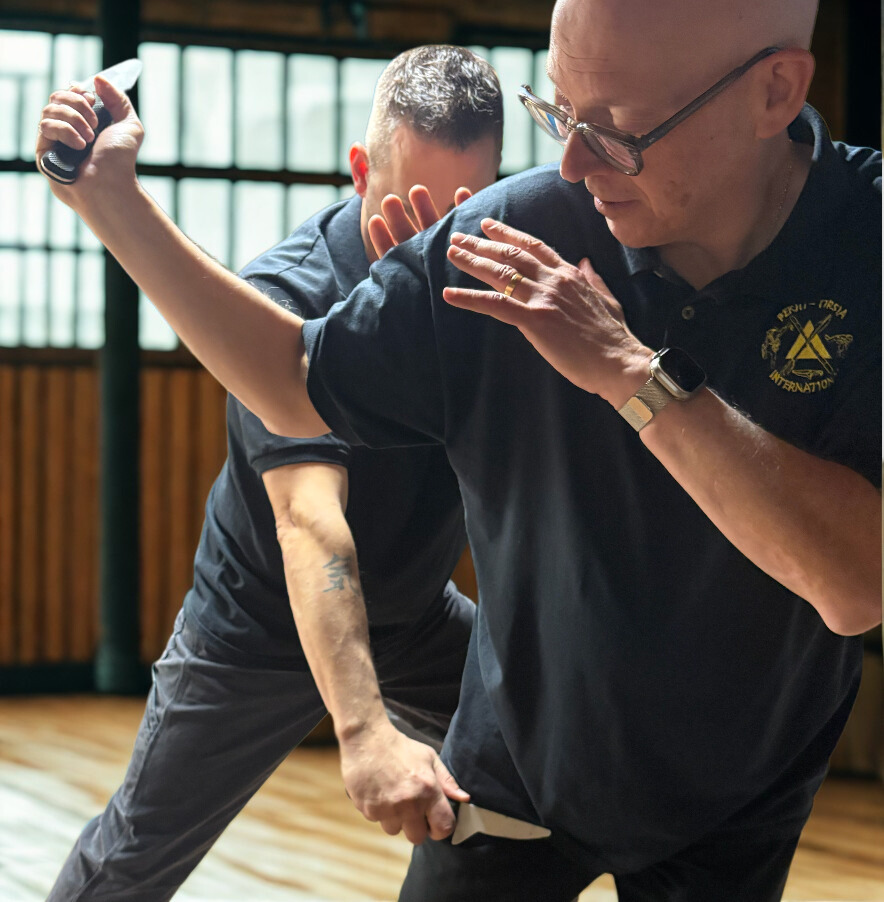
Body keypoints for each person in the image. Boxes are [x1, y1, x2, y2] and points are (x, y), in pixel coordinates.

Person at [36, 0, 882, 898]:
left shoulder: (866, 241)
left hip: (736, 785)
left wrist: (633, 372)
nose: (573, 162)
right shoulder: (522, 228)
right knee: (142, 840)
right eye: (558, 112)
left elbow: (856, 585)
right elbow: (291, 387)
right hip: (477, 733)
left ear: (776, 91)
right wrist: (111, 200)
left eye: (621, 131)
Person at [42, 44, 503, 901]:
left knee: (549, 749)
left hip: (410, 612)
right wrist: (363, 729)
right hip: (255, 626)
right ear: (361, 169)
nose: (432, 238)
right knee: (131, 860)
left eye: (462, 211)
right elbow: (308, 521)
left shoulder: (492, 274)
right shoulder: (285, 301)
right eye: (408, 205)